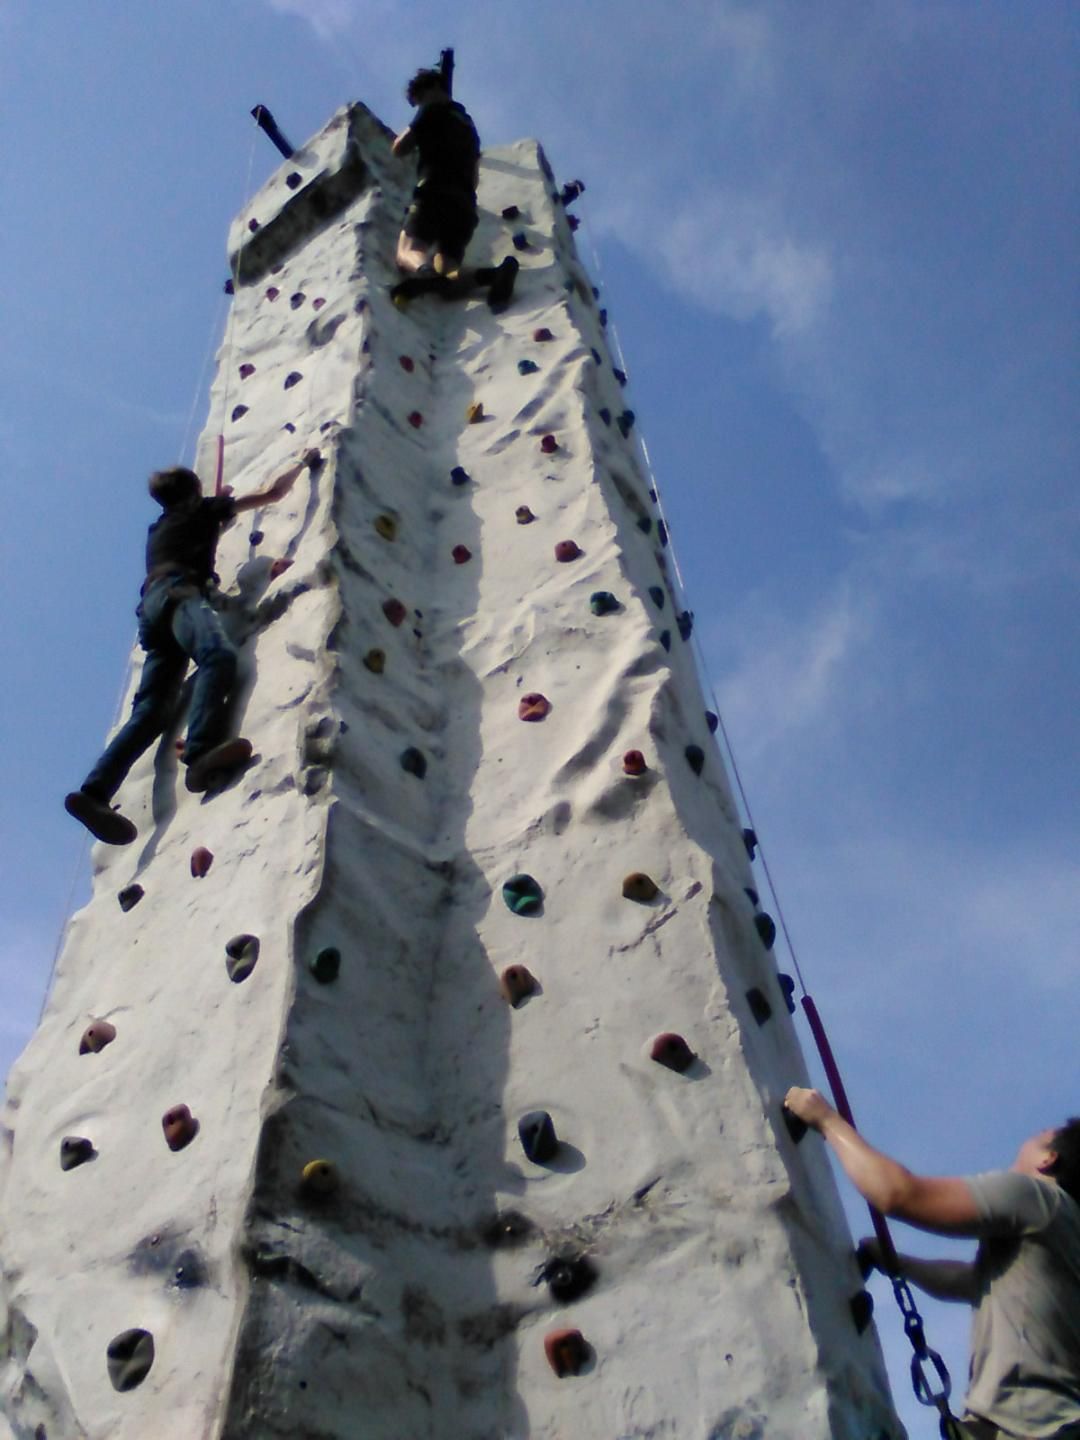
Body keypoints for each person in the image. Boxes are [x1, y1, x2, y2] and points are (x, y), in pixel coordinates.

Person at [783, 1088, 1080, 1439]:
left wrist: (825, 1119)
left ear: (1048, 1160)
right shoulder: (1065, 1234)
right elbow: (970, 1281)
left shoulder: (1034, 1197)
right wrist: (900, 1263)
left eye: (1039, 1136)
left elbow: (897, 1194)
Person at [65, 448, 322, 844]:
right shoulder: (200, 510)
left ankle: (94, 793)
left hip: (153, 610)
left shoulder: (162, 527)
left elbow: (203, 533)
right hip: (180, 594)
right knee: (217, 655)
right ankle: (200, 752)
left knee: (151, 711)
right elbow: (273, 494)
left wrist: (215, 518)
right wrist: (303, 463)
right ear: (194, 493)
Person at [392, 66, 481, 282]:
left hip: (434, 192)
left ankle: (425, 274)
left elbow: (399, 148)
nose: (421, 104)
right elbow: (476, 176)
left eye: (420, 98)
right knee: (446, 263)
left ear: (432, 88)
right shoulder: (468, 126)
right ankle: (486, 277)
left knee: (407, 249)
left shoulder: (432, 110)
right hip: (466, 204)